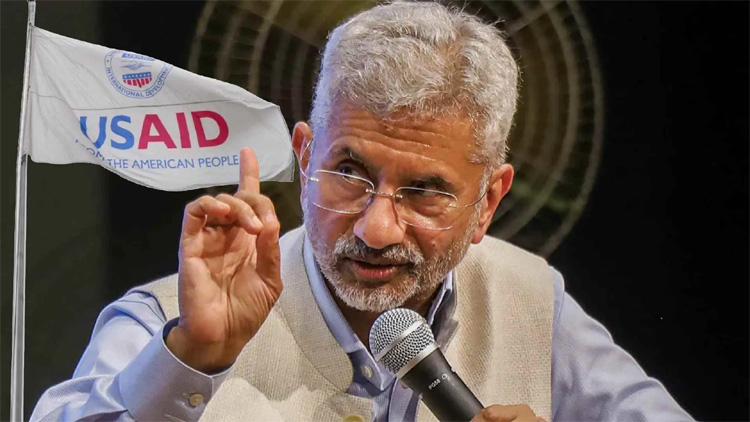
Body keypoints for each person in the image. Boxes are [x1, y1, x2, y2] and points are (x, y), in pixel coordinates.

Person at [31, 2, 693, 421]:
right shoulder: (164, 320)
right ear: (304, 154)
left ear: (488, 201)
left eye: (425, 190)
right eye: (349, 173)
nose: (376, 229)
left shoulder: (531, 301)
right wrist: (193, 357)